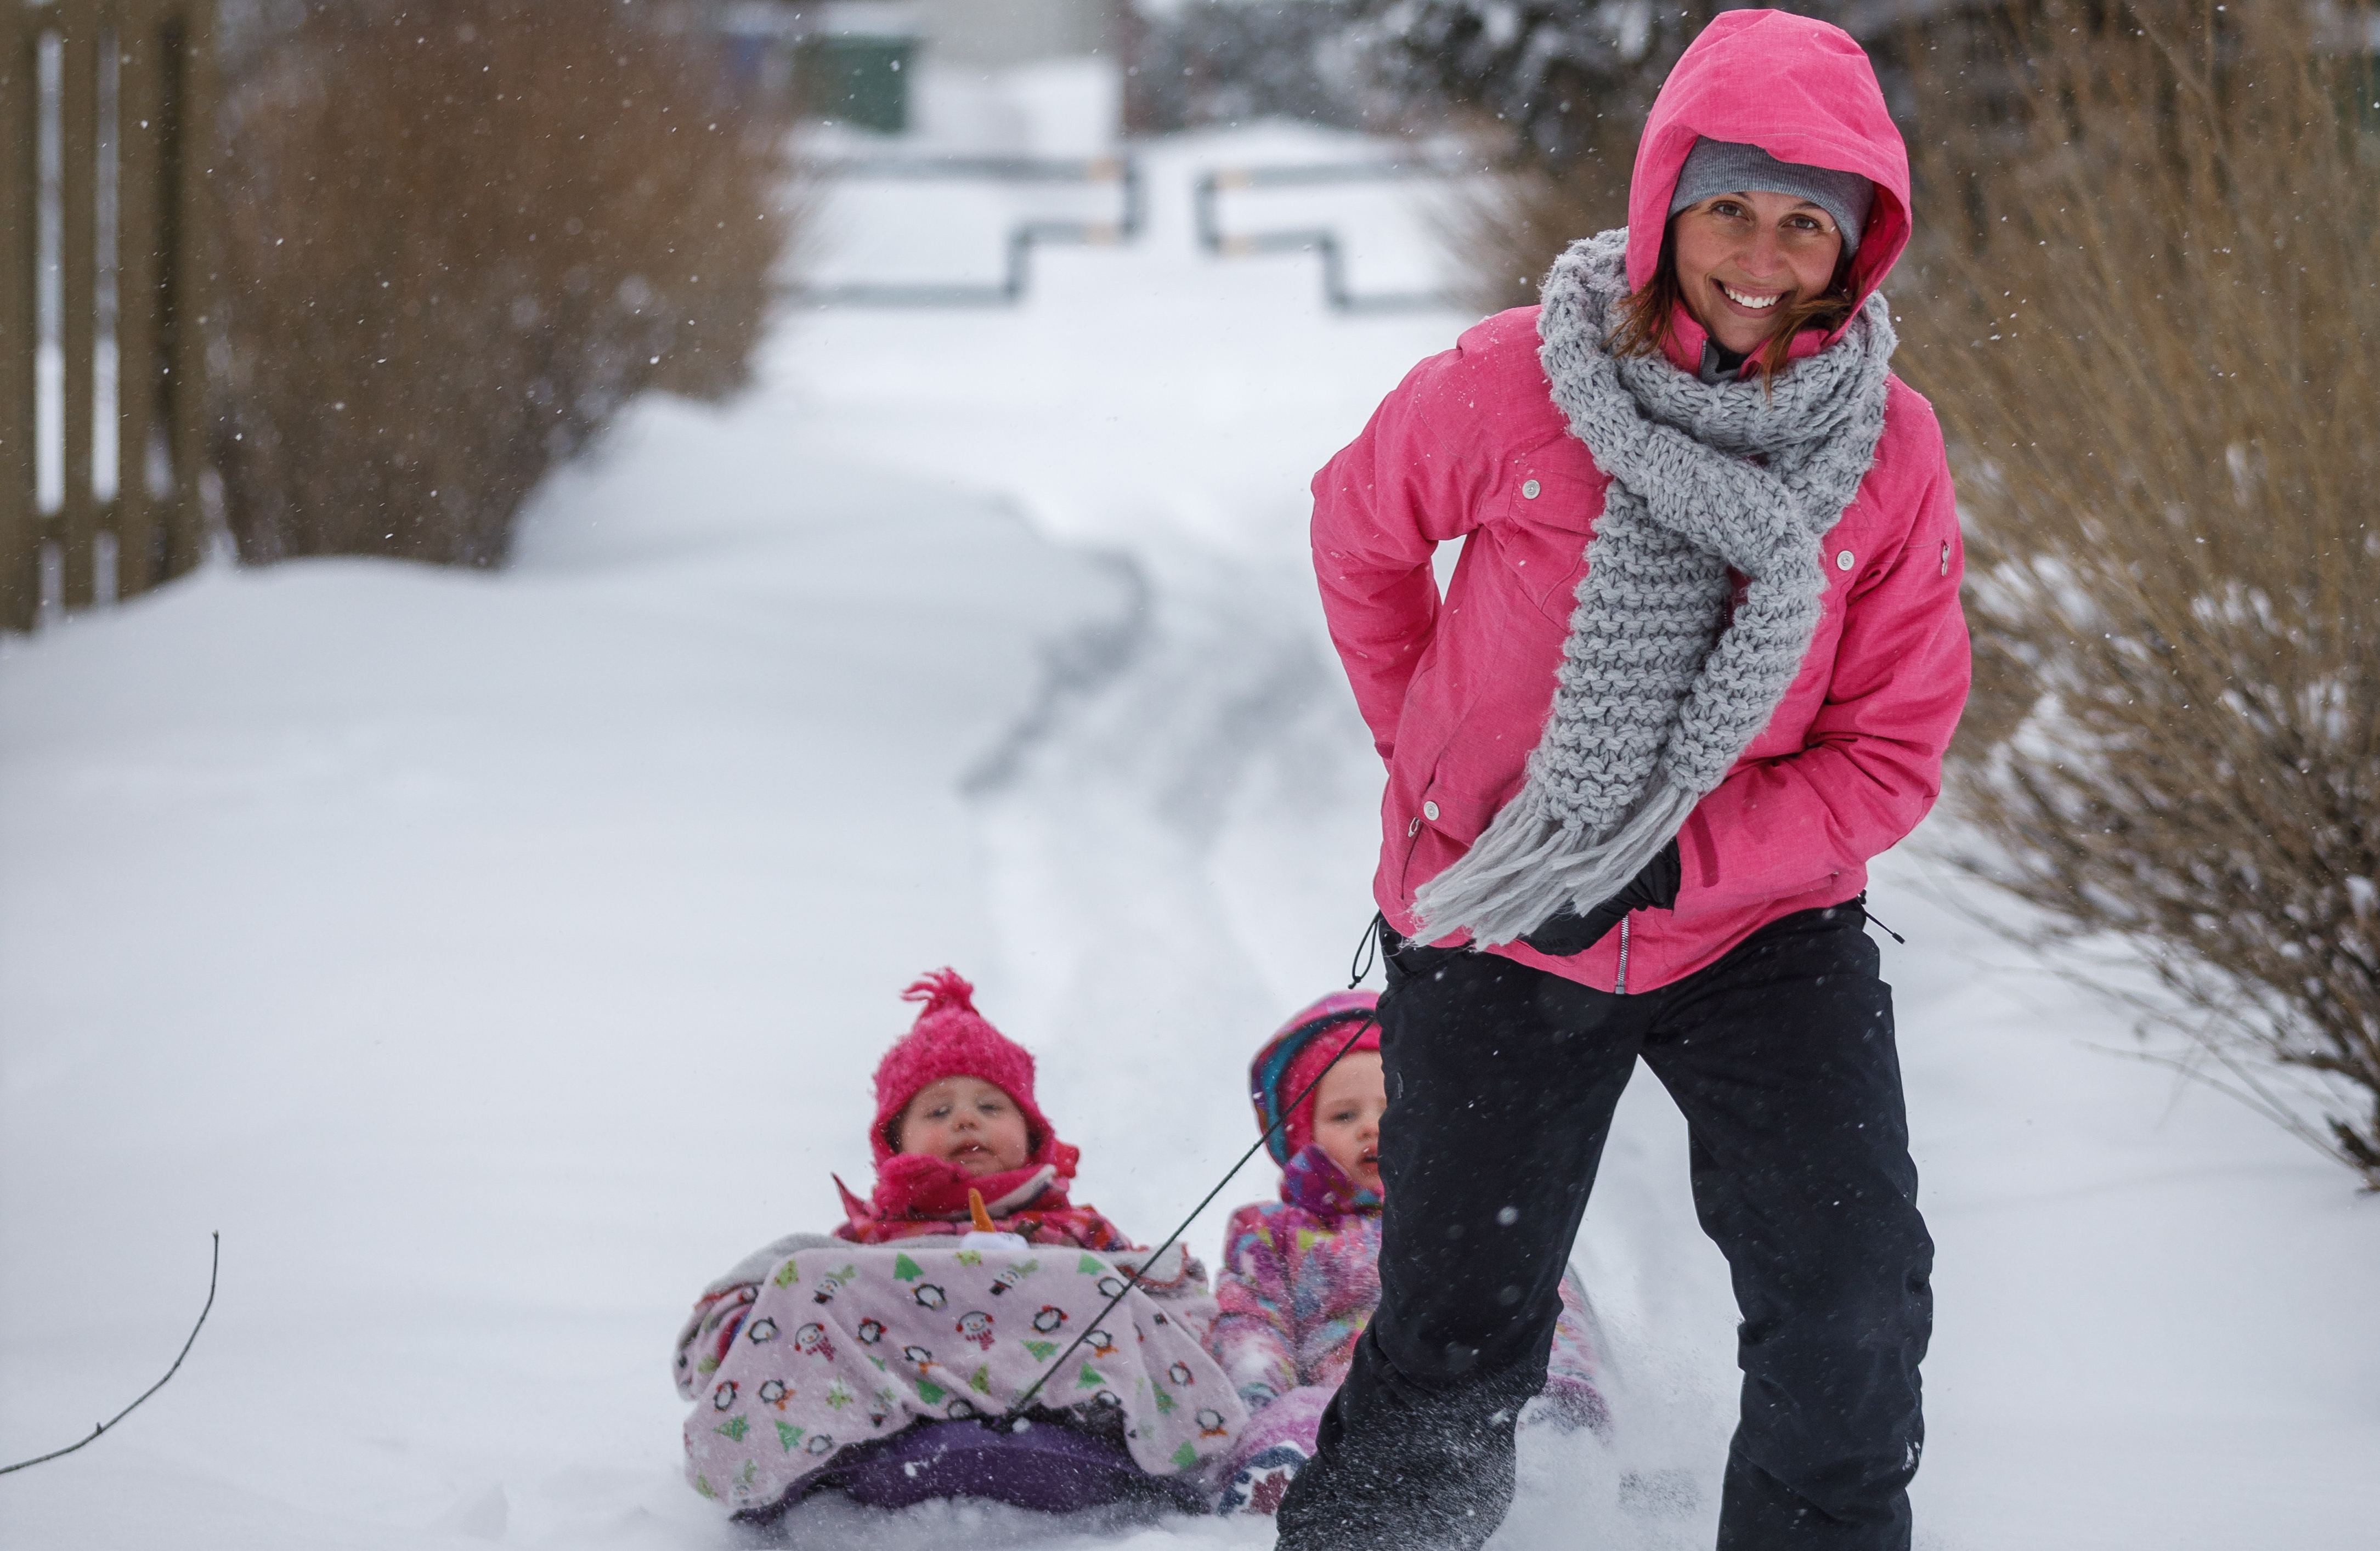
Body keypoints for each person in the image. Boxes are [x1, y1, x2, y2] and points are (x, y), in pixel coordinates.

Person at [1284, 12, 1968, 1550]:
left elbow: (1890, 744)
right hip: (1505, 914)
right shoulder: (1508, 384)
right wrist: (1441, 767)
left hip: (1762, 930)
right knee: (1458, 1328)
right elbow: (1359, 536)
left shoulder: (1888, 449)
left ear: (1855, 250)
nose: (1760, 254)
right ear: (1666, 205)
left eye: (1808, 222)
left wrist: (1681, 859)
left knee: (1851, 1310)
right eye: (1729, 204)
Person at [672, 970, 1241, 1520]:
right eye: (938, 1111)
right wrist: (759, 1325)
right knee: (812, 1277)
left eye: (991, 1107)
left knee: (1099, 1281)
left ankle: (1095, 1413)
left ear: (1030, 1132)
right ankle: (830, 1435)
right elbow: (762, 1313)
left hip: (1067, 1425)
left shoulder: (1075, 1230)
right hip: (885, 1428)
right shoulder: (869, 1242)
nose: (966, 1119)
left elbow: (1175, 1305)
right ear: (895, 1143)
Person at [1204, 992, 1605, 1518]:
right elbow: (1253, 1321)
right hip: (1338, 1407)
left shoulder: (1474, 1217)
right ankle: (1280, 1487)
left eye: (1394, 1106)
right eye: (1344, 1115)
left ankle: (1545, 1475)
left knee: (1517, 1407)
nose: (1372, 1127)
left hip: (1468, 1394)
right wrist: (1258, 1400)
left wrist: (1562, 1379)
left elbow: (1542, 1302)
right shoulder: (1273, 1231)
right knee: (1298, 1420)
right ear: (1307, 1136)